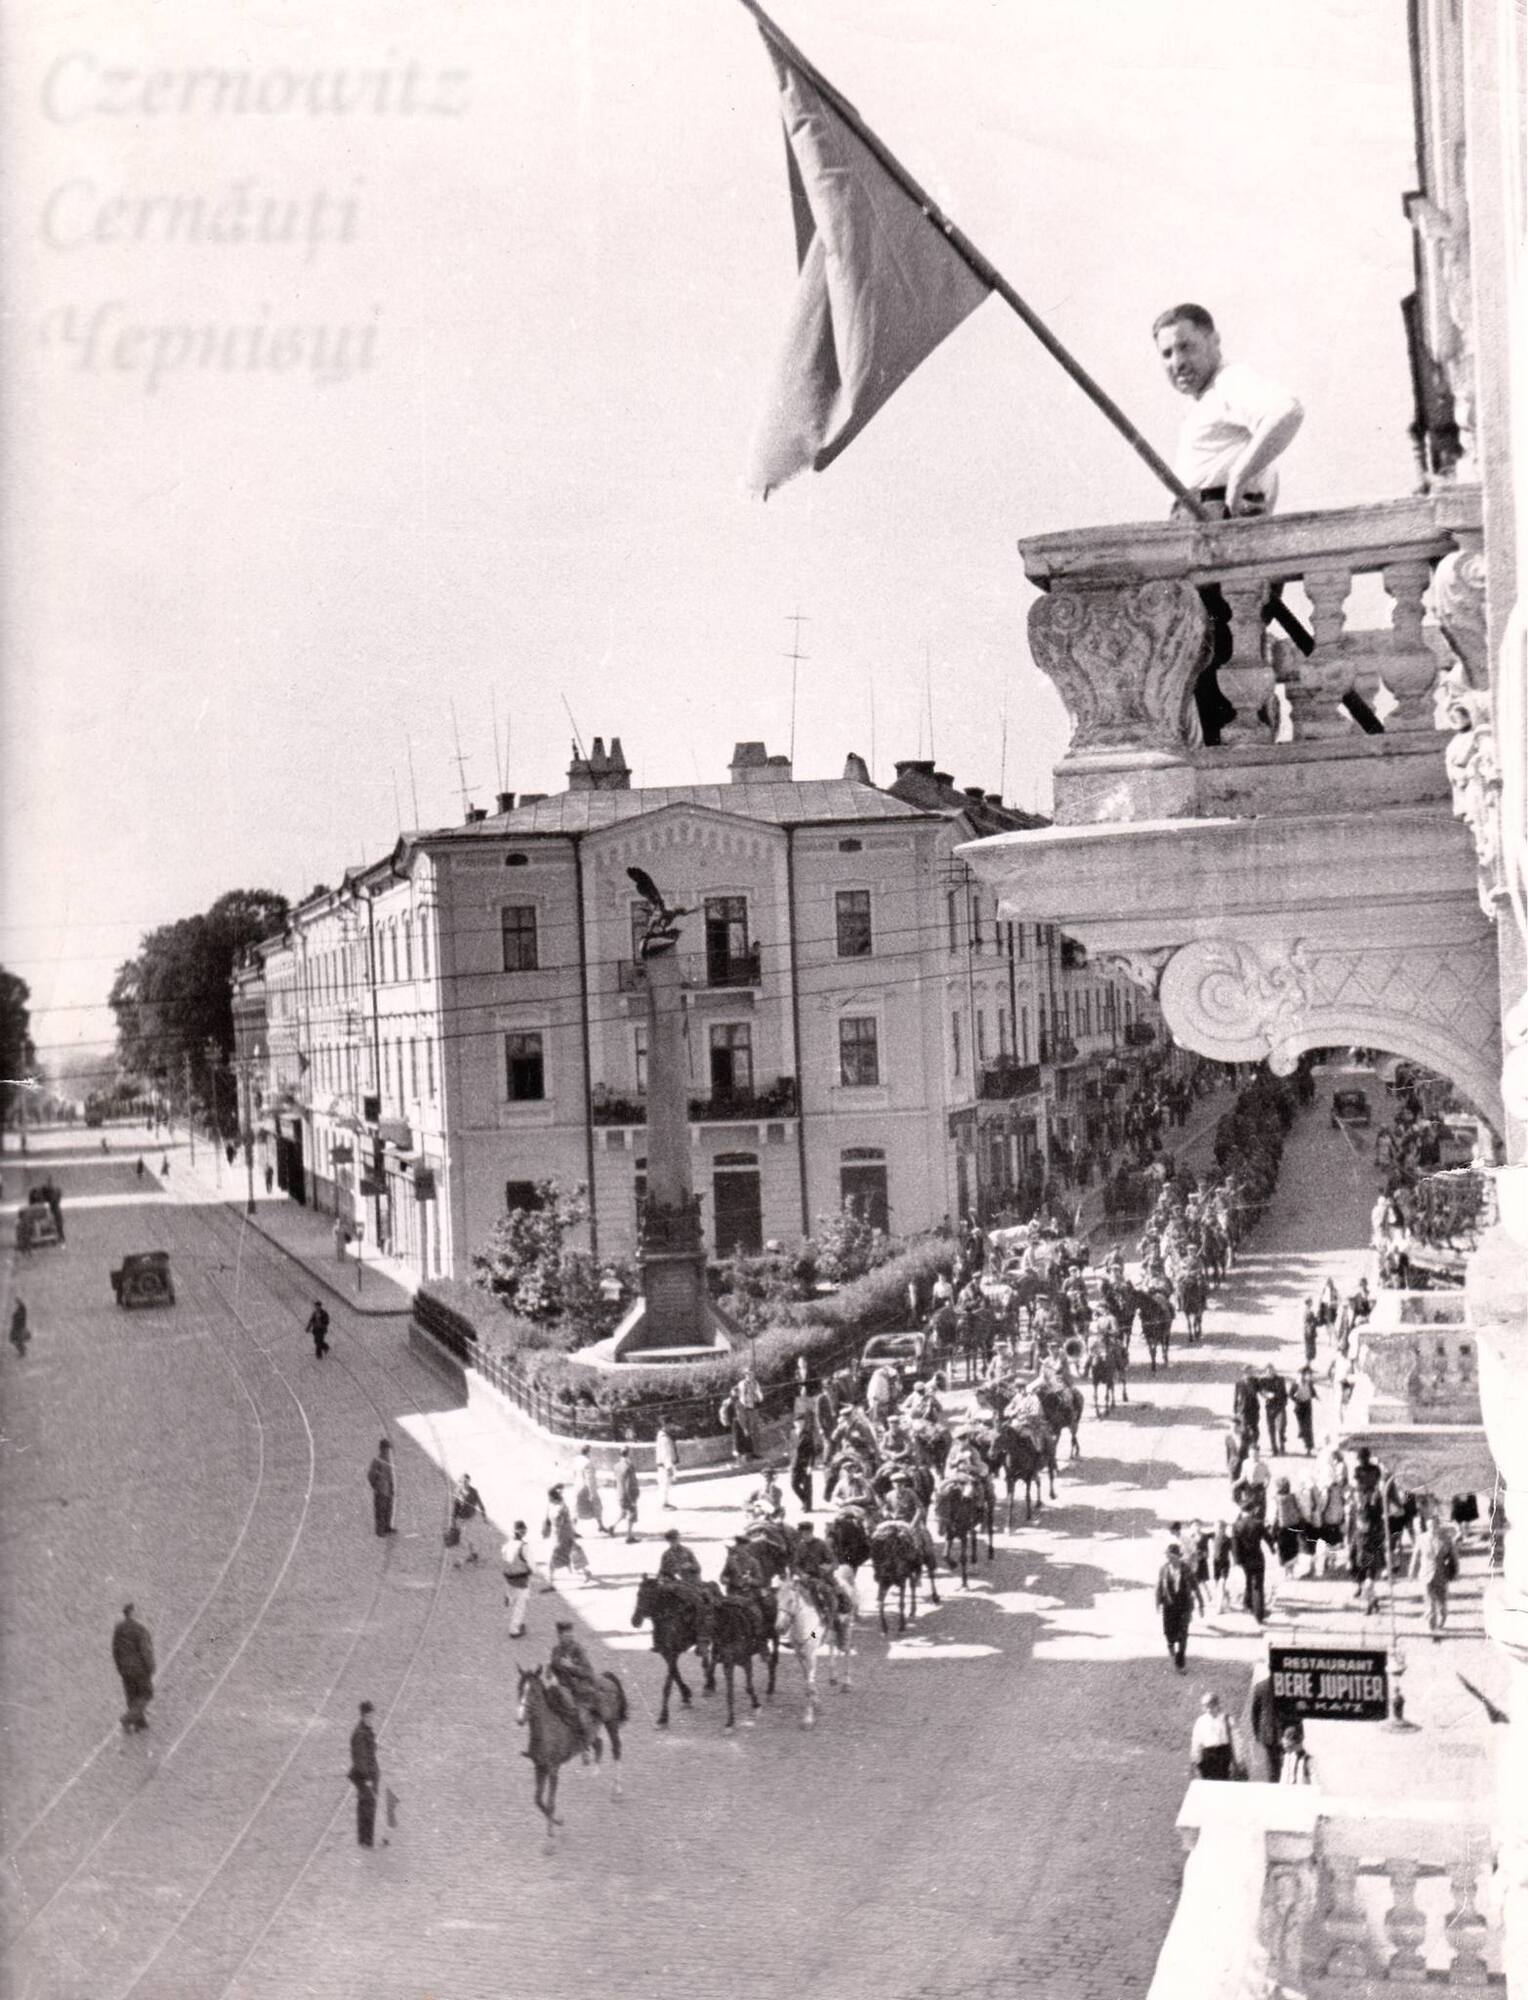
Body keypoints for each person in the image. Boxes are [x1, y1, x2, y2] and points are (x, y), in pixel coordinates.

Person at [1154, 302, 1304, 741]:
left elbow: (1287, 411)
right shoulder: (1206, 403)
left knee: (1220, 666)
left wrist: (1239, 478)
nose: (1177, 362)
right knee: (1204, 669)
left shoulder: (1229, 383)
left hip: (1219, 535)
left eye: (1186, 347)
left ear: (1214, 341)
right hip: (1199, 533)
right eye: (1167, 354)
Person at [549, 1621, 603, 1762]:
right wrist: (550, 1675)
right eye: (566, 1634)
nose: (570, 1636)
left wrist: (571, 1666)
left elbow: (588, 1672)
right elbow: (552, 1667)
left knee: (580, 1718)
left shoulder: (578, 1650)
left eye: (570, 1634)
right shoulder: (556, 1650)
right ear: (559, 1635)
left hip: (578, 1690)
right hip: (561, 1689)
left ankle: (585, 1747)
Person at [1155, 1539, 1204, 1671]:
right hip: (1169, 1605)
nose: (1169, 1559)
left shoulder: (1186, 1569)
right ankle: (1170, 1643)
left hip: (1184, 1605)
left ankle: (1180, 1663)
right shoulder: (1163, 1569)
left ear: (1178, 1557)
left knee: (1183, 1634)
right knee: (1169, 1632)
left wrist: (1201, 1604)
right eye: (1167, 1556)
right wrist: (1157, 1603)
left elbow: (1195, 1586)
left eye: (1171, 1556)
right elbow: (1159, 1587)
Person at [112, 1603, 156, 1732]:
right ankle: (128, 1718)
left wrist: (119, 1667)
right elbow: (145, 1651)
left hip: (125, 1669)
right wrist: (151, 1666)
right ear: (132, 1613)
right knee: (146, 1694)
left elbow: (115, 1650)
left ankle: (140, 1723)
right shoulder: (140, 1629)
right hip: (140, 1669)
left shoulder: (118, 1629)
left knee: (132, 1695)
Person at [541, 1485, 589, 1588]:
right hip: (558, 1535)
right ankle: (585, 1572)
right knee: (572, 1552)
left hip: (563, 1535)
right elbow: (549, 1519)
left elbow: (559, 1523)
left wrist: (553, 1534)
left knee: (556, 1556)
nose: (548, 1499)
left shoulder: (561, 1508)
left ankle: (551, 1582)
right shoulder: (553, 1505)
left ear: (553, 1497)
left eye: (549, 1497)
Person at [1189, 1691, 1242, 1782]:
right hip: (1207, 1756)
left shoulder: (1227, 1719)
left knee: (1223, 1782)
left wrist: (1239, 1758)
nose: (1209, 1710)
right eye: (1205, 1707)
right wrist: (1195, 1759)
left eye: (1211, 1706)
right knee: (1208, 1783)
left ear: (1217, 1705)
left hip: (1223, 1754)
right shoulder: (1201, 1721)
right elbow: (1196, 1741)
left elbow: (1236, 1740)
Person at [348, 1701, 381, 1847]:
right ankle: (366, 1841)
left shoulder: (366, 1730)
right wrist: (367, 1778)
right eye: (368, 1716)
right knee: (367, 1806)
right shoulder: (360, 1734)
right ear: (363, 1716)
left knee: (367, 1805)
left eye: (372, 1716)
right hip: (365, 1776)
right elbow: (359, 1758)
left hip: (369, 1774)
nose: (371, 1719)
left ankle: (365, 1840)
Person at [1421, 1518, 1459, 1638]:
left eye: (1434, 1526)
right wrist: (1412, 1570)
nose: (1432, 1529)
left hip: (1441, 1574)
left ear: (1438, 1527)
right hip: (1426, 1573)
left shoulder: (1446, 1539)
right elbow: (1416, 1555)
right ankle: (1431, 1625)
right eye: (1429, 1526)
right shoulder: (1421, 1538)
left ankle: (1443, 1615)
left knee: (1441, 1601)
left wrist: (1455, 1571)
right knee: (1429, 1601)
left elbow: (1454, 1556)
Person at [1231, 1504, 1268, 1623]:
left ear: (1242, 1511)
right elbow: (1268, 1537)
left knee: (1248, 1580)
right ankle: (1259, 1614)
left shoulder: (1236, 1525)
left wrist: (1237, 1561)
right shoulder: (1258, 1523)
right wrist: (1273, 1548)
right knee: (1258, 1585)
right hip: (1257, 1557)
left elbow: (1235, 1545)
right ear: (1252, 1510)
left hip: (1244, 1559)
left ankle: (1248, 1605)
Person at [501, 1521, 534, 1637]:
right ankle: (514, 1629)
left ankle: (509, 1597)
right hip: (521, 1579)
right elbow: (531, 1565)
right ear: (524, 1532)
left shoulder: (507, 1544)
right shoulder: (524, 1546)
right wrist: (531, 1572)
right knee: (520, 1605)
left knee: (513, 1593)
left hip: (509, 1577)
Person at [451, 1472, 486, 1564]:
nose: (465, 1483)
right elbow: (455, 1506)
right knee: (466, 1538)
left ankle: (461, 1560)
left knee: (464, 1538)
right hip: (461, 1518)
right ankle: (473, 1554)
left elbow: (480, 1504)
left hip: (470, 1519)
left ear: (469, 1481)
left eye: (466, 1481)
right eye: (463, 1481)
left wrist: (484, 1516)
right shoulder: (458, 1491)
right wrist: (453, 1520)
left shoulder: (473, 1492)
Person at [573, 1446, 608, 1535]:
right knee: (597, 1505)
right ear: (588, 1452)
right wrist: (592, 1493)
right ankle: (600, 1526)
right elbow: (589, 1479)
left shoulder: (576, 1460)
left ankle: (573, 1529)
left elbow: (574, 1474)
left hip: (577, 1487)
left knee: (577, 1508)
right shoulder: (588, 1463)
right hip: (586, 1488)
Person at [367, 1439, 396, 1536]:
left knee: (388, 1509)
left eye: (388, 1449)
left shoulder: (388, 1460)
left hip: (388, 1490)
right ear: (382, 1449)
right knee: (380, 1511)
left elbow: (390, 1475)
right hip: (380, 1491)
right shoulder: (377, 1461)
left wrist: (391, 1487)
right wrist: (375, 1486)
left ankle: (387, 1527)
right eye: (386, 1449)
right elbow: (370, 1476)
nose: (388, 1451)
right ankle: (380, 1531)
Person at [789, 1413, 817, 1515]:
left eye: (802, 1422)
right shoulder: (792, 1433)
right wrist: (790, 1462)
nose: (800, 1424)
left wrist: (810, 1465)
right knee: (794, 1484)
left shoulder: (807, 1434)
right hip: (795, 1463)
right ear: (794, 1423)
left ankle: (807, 1506)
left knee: (807, 1486)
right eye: (798, 1422)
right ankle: (805, 1501)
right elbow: (792, 1448)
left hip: (805, 1463)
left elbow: (812, 1451)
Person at [613, 1447, 641, 1543]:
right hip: (628, 1494)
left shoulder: (616, 1466)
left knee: (623, 1513)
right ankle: (629, 1536)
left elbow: (615, 1482)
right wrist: (633, 1498)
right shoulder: (629, 1466)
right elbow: (630, 1483)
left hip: (620, 1493)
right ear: (628, 1453)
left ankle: (613, 1526)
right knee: (631, 1514)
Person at [1290, 1366, 1318, 1456]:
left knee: (1308, 1426)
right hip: (1299, 1406)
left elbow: (1312, 1391)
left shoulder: (1309, 1383)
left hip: (1307, 1405)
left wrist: (1316, 1396)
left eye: (1304, 1374)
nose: (1303, 1377)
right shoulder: (1295, 1384)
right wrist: (1296, 1399)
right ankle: (1302, 1434)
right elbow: (1290, 1395)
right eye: (1301, 1375)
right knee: (1302, 1426)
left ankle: (1308, 1447)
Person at [1261, 1367, 1289, 1456]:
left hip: (1280, 1406)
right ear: (1265, 1373)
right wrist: (1266, 1395)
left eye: (1271, 1371)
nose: (1270, 1373)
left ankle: (1282, 1447)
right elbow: (1261, 1391)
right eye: (1268, 1372)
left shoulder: (1280, 1380)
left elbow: (1284, 1392)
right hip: (1269, 1407)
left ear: (1274, 1371)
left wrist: (1284, 1403)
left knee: (1281, 1428)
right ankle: (1274, 1449)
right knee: (1271, 1429)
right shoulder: (1263, 1381)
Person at [654, 1422, 678, 1510]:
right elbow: (665, 1454)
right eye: (670, 1424)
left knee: (666, 1485)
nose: (672, 1426)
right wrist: (669, 1467)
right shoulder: (664, 1438)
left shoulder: (664, 1436)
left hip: (664, 1465)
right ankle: (664, 1504)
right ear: (665, 1425)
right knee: (664, 1485)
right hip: (664, 1466)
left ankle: (665, 1503)